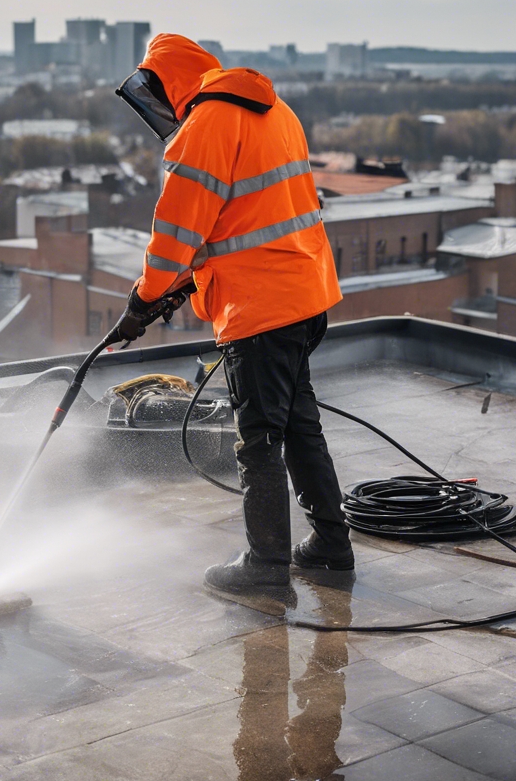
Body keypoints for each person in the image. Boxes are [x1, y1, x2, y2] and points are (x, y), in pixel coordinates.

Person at [112, 33, 351, 604]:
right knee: (297, 424)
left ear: (171, 84)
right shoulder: (276, 112)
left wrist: (145, 300)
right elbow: (253, 216)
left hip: (261, 309)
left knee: (258, 438)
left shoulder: (204, 128)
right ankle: (330, 545)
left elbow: (173, 238)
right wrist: (197, 277)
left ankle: (266, 565)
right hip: (305, 293)